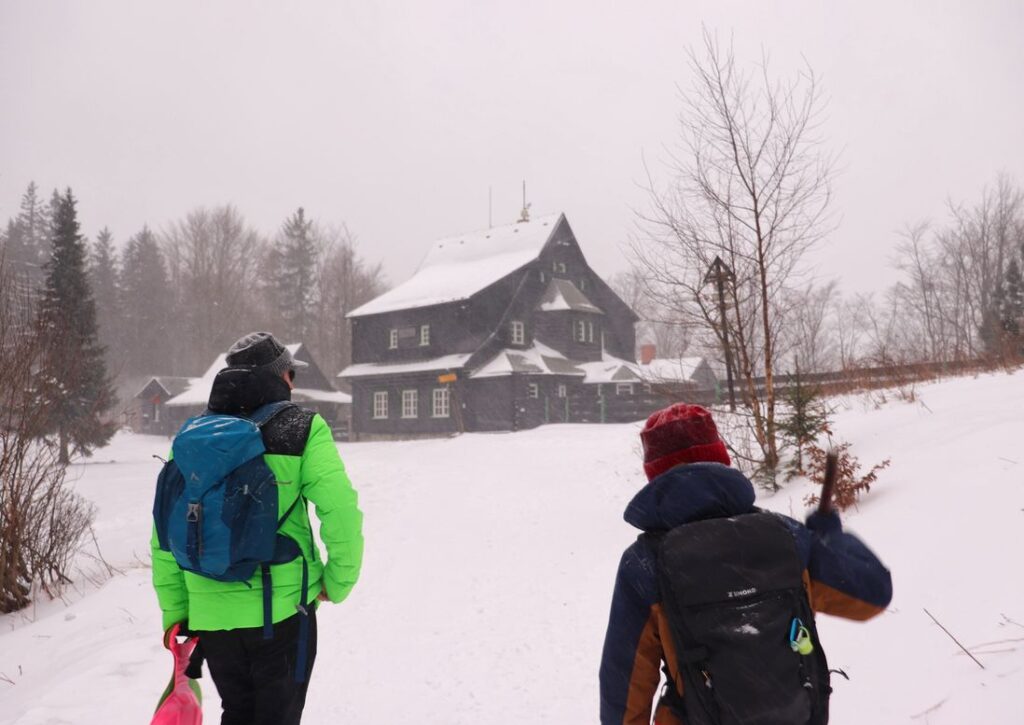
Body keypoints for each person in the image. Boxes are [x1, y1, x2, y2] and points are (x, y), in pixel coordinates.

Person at [599, 404, 892, 725]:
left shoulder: (645, 564)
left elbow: (624, 687)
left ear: (654, 475)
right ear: (721, 459)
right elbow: (871, 594)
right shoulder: (788, 538)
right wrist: (829, 538)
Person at [151, 331, 364, 725]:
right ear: (280, 377)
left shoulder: (192, 436)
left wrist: (178, 611)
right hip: (282, 612)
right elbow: (340, 509)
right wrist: (338, 581)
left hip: (211, 614)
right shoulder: (302, 428)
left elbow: (164, 532)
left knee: (237, 713)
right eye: (291, 375)